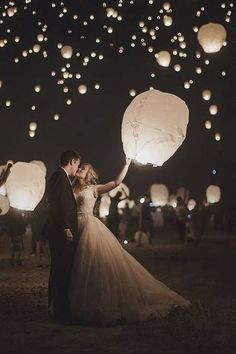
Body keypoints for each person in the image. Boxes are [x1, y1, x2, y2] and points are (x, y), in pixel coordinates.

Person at [68, 158, 190, 326]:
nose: (80, 168)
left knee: (90, 264)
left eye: (84, 168)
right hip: (73, 227)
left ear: (89, 174)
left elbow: (116, 182)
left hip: (88, 226)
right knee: (75, 265)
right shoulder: (71, 187)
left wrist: (126, 164)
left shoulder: (94, 189)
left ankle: (94, 303)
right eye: (79, 167)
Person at [46, 150, 81, 323]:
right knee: (62, 271)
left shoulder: (61, 177)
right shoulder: (59, 177)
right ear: (72, 161)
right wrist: (66, 228)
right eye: (78, 164)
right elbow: (58, 205)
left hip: (59, 231)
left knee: (60, 270)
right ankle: (61, 312)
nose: (78, 168)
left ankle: (55, 308)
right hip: (61, 233)